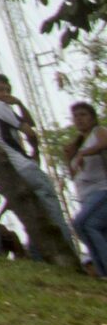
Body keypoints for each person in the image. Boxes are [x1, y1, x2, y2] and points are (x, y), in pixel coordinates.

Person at [0, 73, 72, 261]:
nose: (5, 94)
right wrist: (35, 149)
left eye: (7, 90)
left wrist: (19, 104)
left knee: (34, 219)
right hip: (25, 167)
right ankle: (70, 254)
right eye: (0, 90)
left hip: (13, 174)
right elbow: (30, 129)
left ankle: (38, 259)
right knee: (52, 212)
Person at [66, 99, 107, 276]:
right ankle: (102, 272)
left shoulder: (98, 132)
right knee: (91, 228)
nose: (79, 119)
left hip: (101, 189)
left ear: (92, 118)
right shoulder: (76, 145)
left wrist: (83, 153)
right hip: (85, 195)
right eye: (76, 116)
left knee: (79, 223)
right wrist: (70, 157)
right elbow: (74, 174)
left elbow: (105, 144)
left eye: (83, 115)